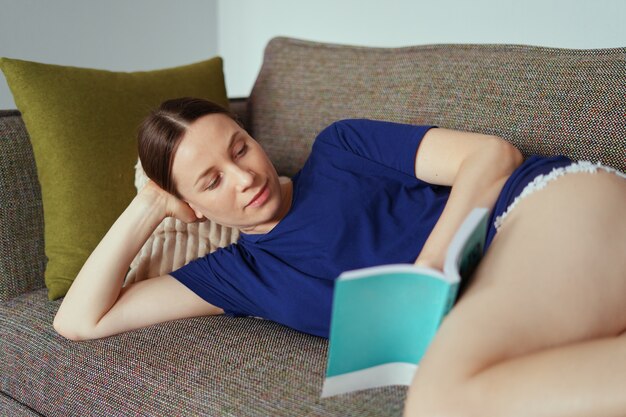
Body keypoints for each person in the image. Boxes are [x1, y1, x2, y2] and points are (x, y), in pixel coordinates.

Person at [54, 97, 626, 416]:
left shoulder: (340, 148)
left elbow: (491, 157)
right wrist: (149, 204)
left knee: (438, 401)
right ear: (191, 206)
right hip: (527, 297)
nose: (244, 175)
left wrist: (425, 269)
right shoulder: (237, 276)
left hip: (546, 208)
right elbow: (80, 320)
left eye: (239, 147)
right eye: (211, 181)